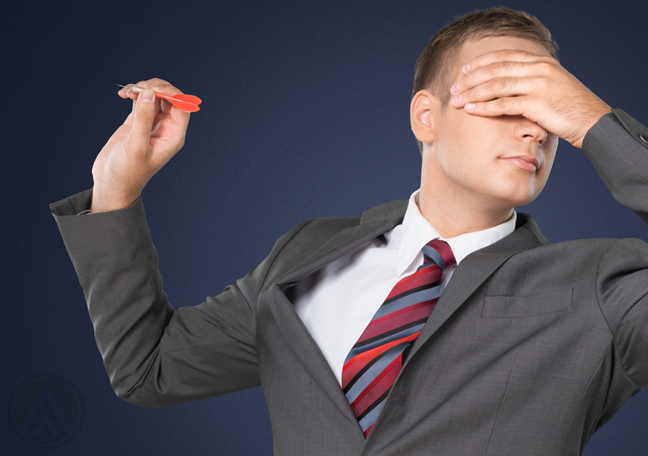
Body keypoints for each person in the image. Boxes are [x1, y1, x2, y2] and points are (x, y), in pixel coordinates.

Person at [50, 6, 648, 455]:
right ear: (425, 116)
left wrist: (591, 120)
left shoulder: (604, 290)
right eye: (509, 98)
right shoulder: (307, 253)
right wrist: (116, 193)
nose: (536, 129)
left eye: (547, 107)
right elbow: (149, 368)